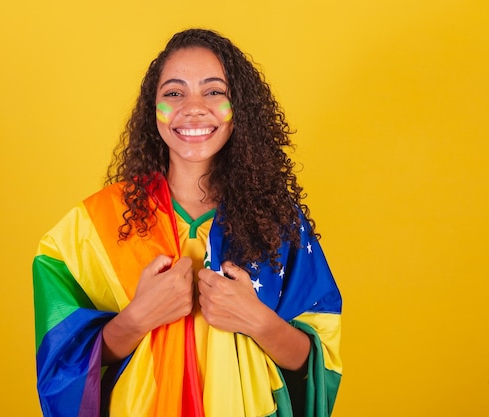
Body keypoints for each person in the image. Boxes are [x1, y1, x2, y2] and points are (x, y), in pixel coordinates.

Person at [32, 28, 342, 417]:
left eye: (214, 91)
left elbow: (317, 364)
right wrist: (137, 318)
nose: (193, 107)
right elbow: (61, 363)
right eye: (174, 93)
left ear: (239, 107)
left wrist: (257, 320)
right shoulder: (96, 224)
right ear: (153, 109)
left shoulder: (279, 222)